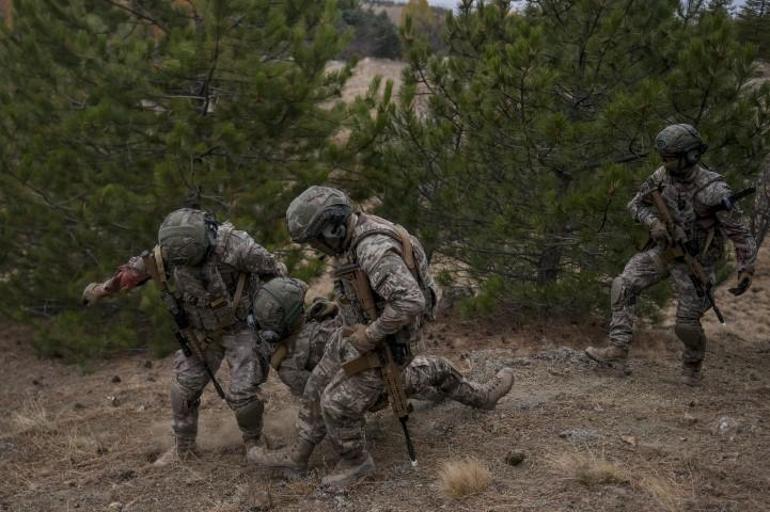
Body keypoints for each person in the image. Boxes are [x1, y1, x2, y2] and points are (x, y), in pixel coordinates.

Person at [248, 187, 515, 489]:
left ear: (332, 229)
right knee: (316, 384)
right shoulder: (353, 237)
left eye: (315, 240)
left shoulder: (372, 249)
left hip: (387, 345)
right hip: (359, 333)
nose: (315, 249)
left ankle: (357, 462)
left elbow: (410, 301)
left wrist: (370, 334)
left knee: (336, 403)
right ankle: (298, 456)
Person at [82, 208, 284, 464]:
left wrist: (276, 315)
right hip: (201, 331)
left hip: (242, 326)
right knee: (183, 388)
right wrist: (103, 289)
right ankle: (184, 447)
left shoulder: (237, 246)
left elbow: (277, 275)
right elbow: (137, 270)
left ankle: (254, 441)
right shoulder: (172, 249)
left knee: (242, 394)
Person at [585, 124, 757, 385]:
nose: (665, 162)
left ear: (690, 155)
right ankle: (617, 351)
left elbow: (739, 231)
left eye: (670, 157)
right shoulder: (662, 176)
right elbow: (635, 204)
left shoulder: (713, 190)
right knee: (624, 284)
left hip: (694, 262)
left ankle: (692, 366)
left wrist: (746, 267)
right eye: (663, 157)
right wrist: (653, 223)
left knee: (686, 325)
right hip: (665, 252)